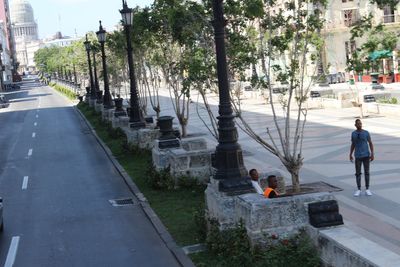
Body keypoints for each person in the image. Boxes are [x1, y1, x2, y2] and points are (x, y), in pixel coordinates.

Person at [349, 119, 374, 197]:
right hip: (358, 156)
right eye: (358, 124)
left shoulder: (366, 133)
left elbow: (370, 143)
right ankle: (358, 189)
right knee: (358, 173)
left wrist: (372, 153)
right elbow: (353, 144)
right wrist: (350, 154)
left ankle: (367, 189)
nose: (360, 125)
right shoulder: (353, 134)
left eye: (360, 123)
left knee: (367, 172)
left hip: (366, 155)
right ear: (355, 125)